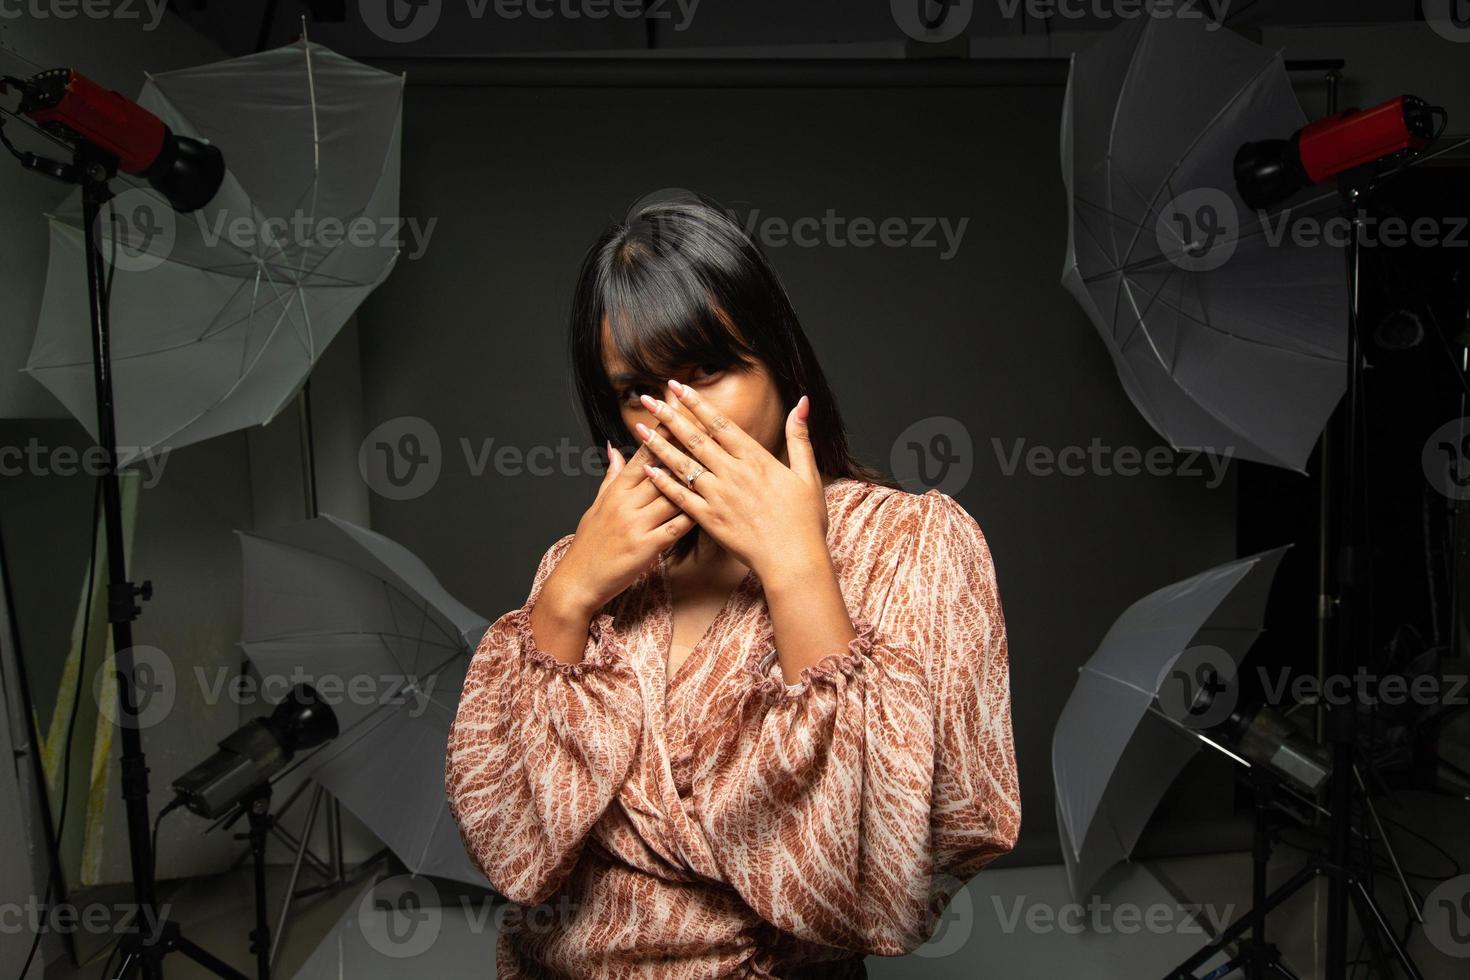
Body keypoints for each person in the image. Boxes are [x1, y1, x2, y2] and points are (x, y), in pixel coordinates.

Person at [445, 193, 1020, 978]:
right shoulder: (582, 566)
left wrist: (795, 567)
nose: (678, 418)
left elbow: (890, 875)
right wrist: (568, 595)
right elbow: (513, 847)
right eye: (638, 393)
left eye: (707, 370)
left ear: (780, 361)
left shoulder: (911, 546)